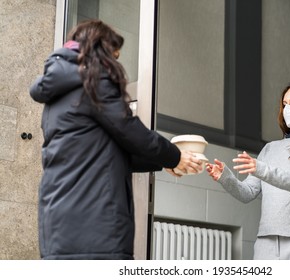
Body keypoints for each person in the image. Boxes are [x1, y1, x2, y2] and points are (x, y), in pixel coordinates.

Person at [29, 19, 201, 260]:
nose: (116, 63)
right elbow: (130, 130)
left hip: (58, 228)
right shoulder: (93, 80)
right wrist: (175, 155)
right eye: (114, 55)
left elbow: (106, 154)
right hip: (97, 228)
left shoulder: (58, 95)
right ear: (100, 50)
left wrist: (165, 162)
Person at [206, 80, 290, 260]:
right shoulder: (270, 148)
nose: (287, 109)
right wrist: (225, 177)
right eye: (285, 105)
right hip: (266, 241)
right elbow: (248, 193)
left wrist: (262, 169)